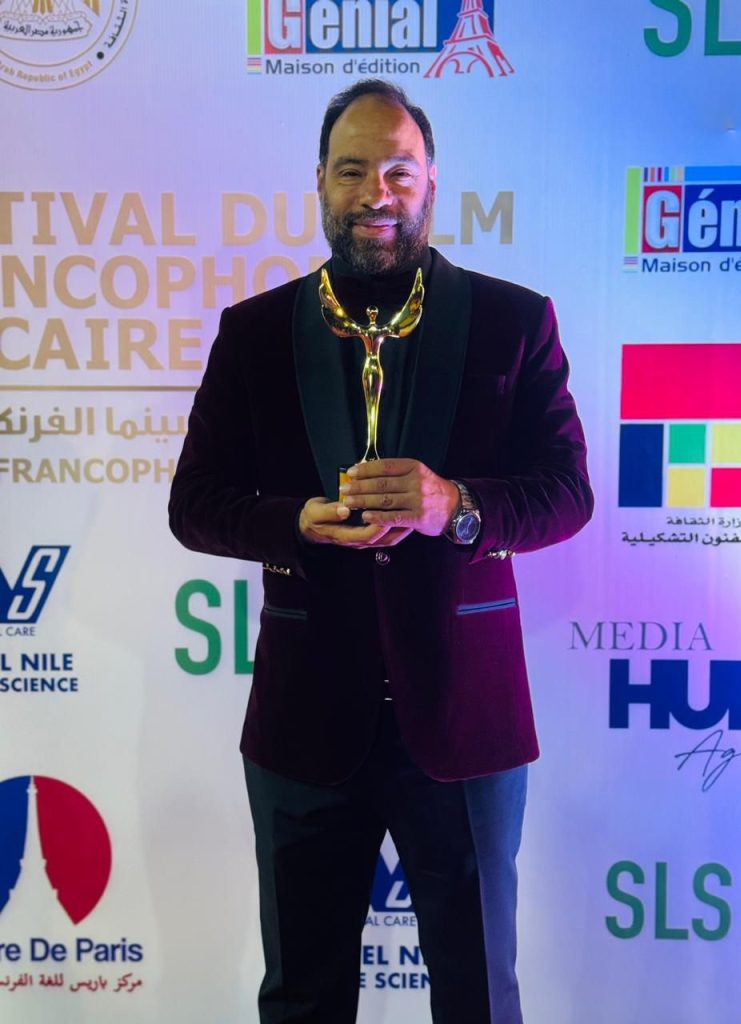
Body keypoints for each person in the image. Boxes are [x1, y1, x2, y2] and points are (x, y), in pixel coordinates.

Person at [169, 79, 593, 1024]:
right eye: (353, 169)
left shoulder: (513, 321)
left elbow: (567, 492)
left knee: (480, 995)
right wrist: (293, 523)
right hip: (304, 726)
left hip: (466, 721)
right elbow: (194, 506)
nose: (376, 191)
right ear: (319, 182)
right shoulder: (252, 335)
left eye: (397, 169)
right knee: (304, 997)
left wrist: (459, 504)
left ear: (431, 181)